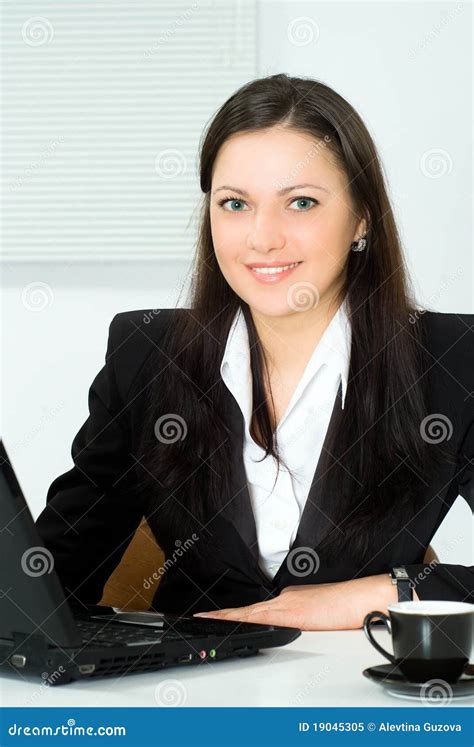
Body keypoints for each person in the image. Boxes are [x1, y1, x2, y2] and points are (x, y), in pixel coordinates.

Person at [35, 73, 473, 631]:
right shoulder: (145, 355)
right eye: (235, 203)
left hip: (358, 696)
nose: (262, 238)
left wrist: (388, 592)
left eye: (302, 202)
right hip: (190, 694)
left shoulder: (454, 360)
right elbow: (53, 572)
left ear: (361, 218)